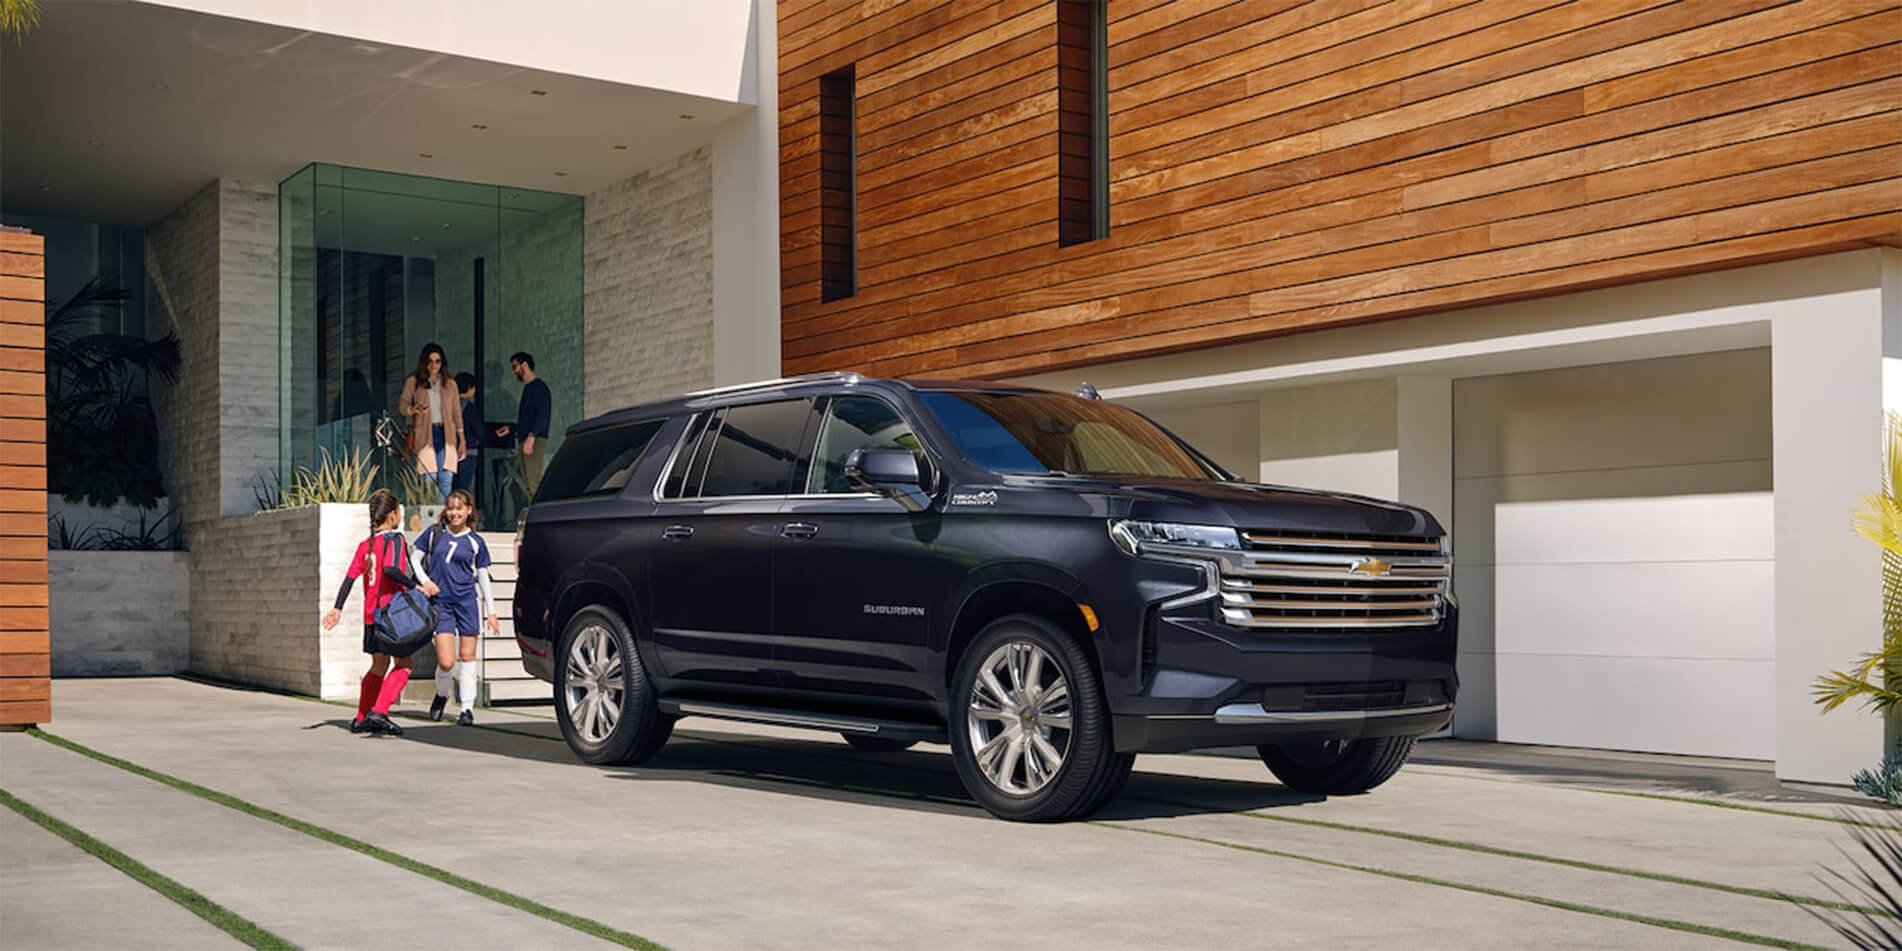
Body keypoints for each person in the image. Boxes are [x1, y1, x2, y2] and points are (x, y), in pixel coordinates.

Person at [321, 489, 438, 736]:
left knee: (378, 665)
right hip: (390, 617)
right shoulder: (394, 540)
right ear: (394, 515)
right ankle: (380, 711)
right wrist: (416, 586)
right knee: (405, 665)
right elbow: (391, 570)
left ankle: (361, 717)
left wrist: (337, 608)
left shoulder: (366, 545)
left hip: (370, 617)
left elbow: (349, 579)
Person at [410, 488, 499, 725]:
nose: (454, 513)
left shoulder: (475, 541)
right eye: (450, 508)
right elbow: (414, 559)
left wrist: (491, 611)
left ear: (469, 511)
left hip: (467, 603)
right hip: (442, 604)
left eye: (459, 508)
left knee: (468, 657)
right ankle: (441, 694)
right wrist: (426, 582)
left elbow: (482, 577)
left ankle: (467, 709)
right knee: (447, 661)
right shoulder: (434, 534)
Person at [398, 343, 466, 504]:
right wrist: (414, 410)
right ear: (424, 362)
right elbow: (402, 407)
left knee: (446, 479)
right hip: (425, 434)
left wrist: (462, 439)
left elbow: (457, 413)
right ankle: (429, 521)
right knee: (429, 478)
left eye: (437, 361)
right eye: (430, 361)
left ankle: (442, 521)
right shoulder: (414, 381)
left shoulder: (450, 384)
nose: (434, 365)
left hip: (446, 434)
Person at [494, 351, 550, 498]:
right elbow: (527, 420)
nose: (514, 372)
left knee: (533, 482)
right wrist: (511, 429)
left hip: (534, 440)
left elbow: (543, 416)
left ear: (525, 365)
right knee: (527, 484)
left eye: (515, 367)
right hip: (526, 439)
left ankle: (542, 516)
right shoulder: (528, 388)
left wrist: (531, 437)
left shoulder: (539, 387)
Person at [451, 372, 485, 495]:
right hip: (468, 452)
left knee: (452, 487)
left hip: (450, 452)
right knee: (463, 488)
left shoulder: (449, 406)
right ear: (470, 388)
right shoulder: (469, 408)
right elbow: (479, 431)